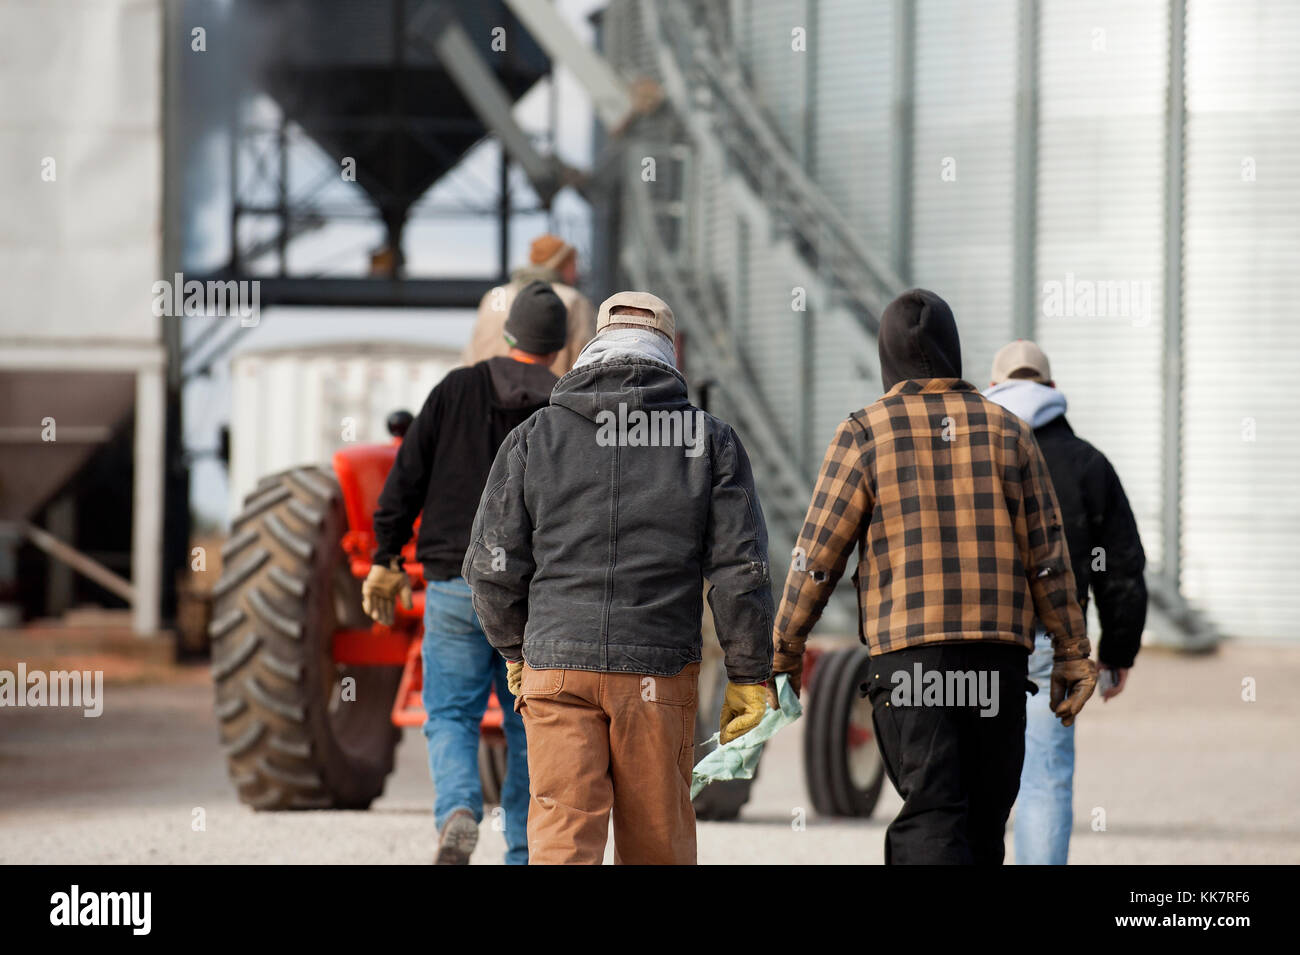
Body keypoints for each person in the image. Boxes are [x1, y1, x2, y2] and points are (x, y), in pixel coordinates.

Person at [770, 288, 1097, 865]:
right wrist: (1072, 650)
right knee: (983, 817)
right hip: (999, 659)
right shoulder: (1010, 433)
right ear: (954, 349)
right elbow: (1048, 556)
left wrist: (786, 648)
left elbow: (817, 556)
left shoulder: (864, 433)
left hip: (912, 661)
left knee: (932, 812)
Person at [464, 291, 774, 865]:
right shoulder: (711, 441)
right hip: (656, 672)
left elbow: (489, 566)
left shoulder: (535, 436)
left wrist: (517, 652)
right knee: (657, 843)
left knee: (561, 843)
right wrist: (750, 674)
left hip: (555, 668)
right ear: (670, 352)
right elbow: (739, 571)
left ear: (591, 348)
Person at [360, 281, 568, 865]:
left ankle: (458, 810)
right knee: (532, 724)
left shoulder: (456, 389)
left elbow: (405, 479)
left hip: (455, 583)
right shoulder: (566, 404)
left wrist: (385, 557)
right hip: (536, 599)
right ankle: (525, 853)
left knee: (451, 712)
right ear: (559, 347)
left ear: (506, 334)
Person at [985, 339, 1147, 865]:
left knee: (961, 779)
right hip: (1047, 645)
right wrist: (1117, 651)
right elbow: (1118, 565)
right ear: (1053, 391)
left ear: (993, 390)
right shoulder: (1087, 464)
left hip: (969, 642)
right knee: (1043, 780)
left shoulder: (967, 455)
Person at [462, 234, 597, 376]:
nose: (577, 274)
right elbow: (586, 361)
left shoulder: (494, 297)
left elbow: (471, 356)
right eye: (574, 265)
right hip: (547, 394)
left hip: (490, 393)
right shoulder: (574, 301)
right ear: (562, 263)